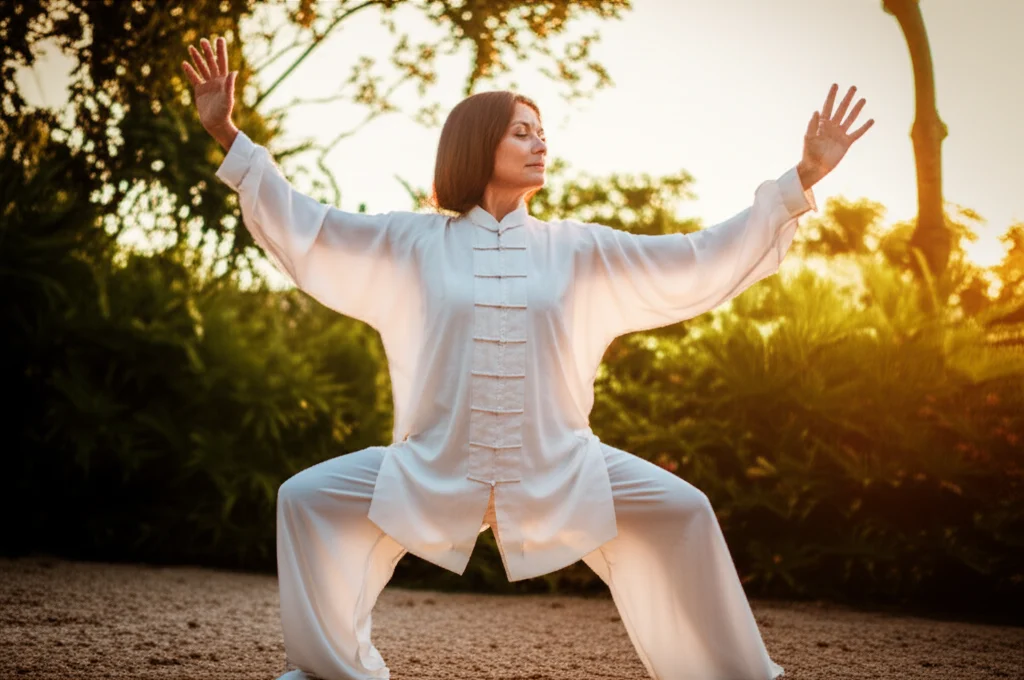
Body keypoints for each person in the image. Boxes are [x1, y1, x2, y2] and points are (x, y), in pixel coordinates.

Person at [183, 35, 873, 680]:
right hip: (431, 463)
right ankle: (333, 673)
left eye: (542, 132)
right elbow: (310, 224)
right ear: (479, 144)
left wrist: (801, 178)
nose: (540, 142)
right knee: (304, 500)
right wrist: (227, 135)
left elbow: (696, 255)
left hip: (562, 465)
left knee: (685, 510)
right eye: (522, 131)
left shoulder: (578, 247)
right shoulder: (413, 241)